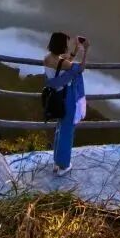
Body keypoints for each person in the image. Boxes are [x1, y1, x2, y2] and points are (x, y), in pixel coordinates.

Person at [43, 32, 89, 176]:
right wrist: (86, 51)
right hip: (66, 97)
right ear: (61, 45)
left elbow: (62, 63)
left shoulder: (47, 58)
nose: (67, 46)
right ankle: (63, 165)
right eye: (66, 44)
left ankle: (57, 161)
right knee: (67, 130)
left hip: (56, 97)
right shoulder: (63, 63)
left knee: (60, 128)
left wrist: (75, 51)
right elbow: (80, 68)